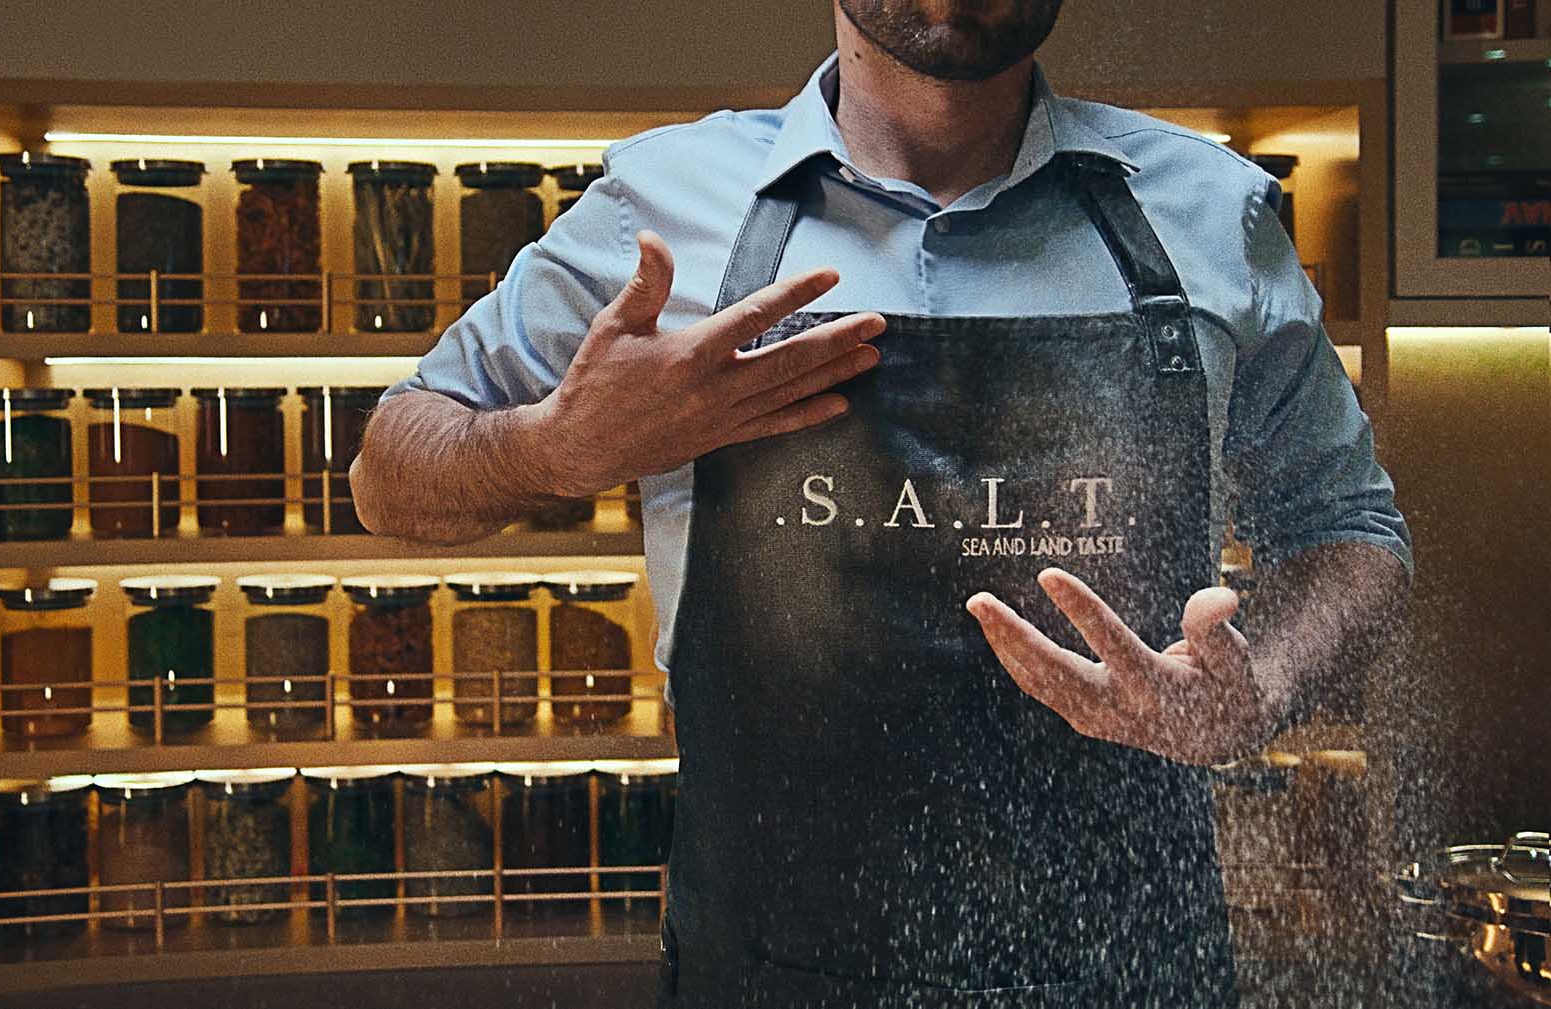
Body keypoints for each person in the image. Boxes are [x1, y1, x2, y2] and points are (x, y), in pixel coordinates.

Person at [352, 1, 1412, 1004]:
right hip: (775, 966)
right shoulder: (663, 210)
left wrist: (1259, 687)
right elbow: (389, 475)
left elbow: (1349, 530)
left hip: (1132, 968)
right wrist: (559, 447)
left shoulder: (1209, 211)